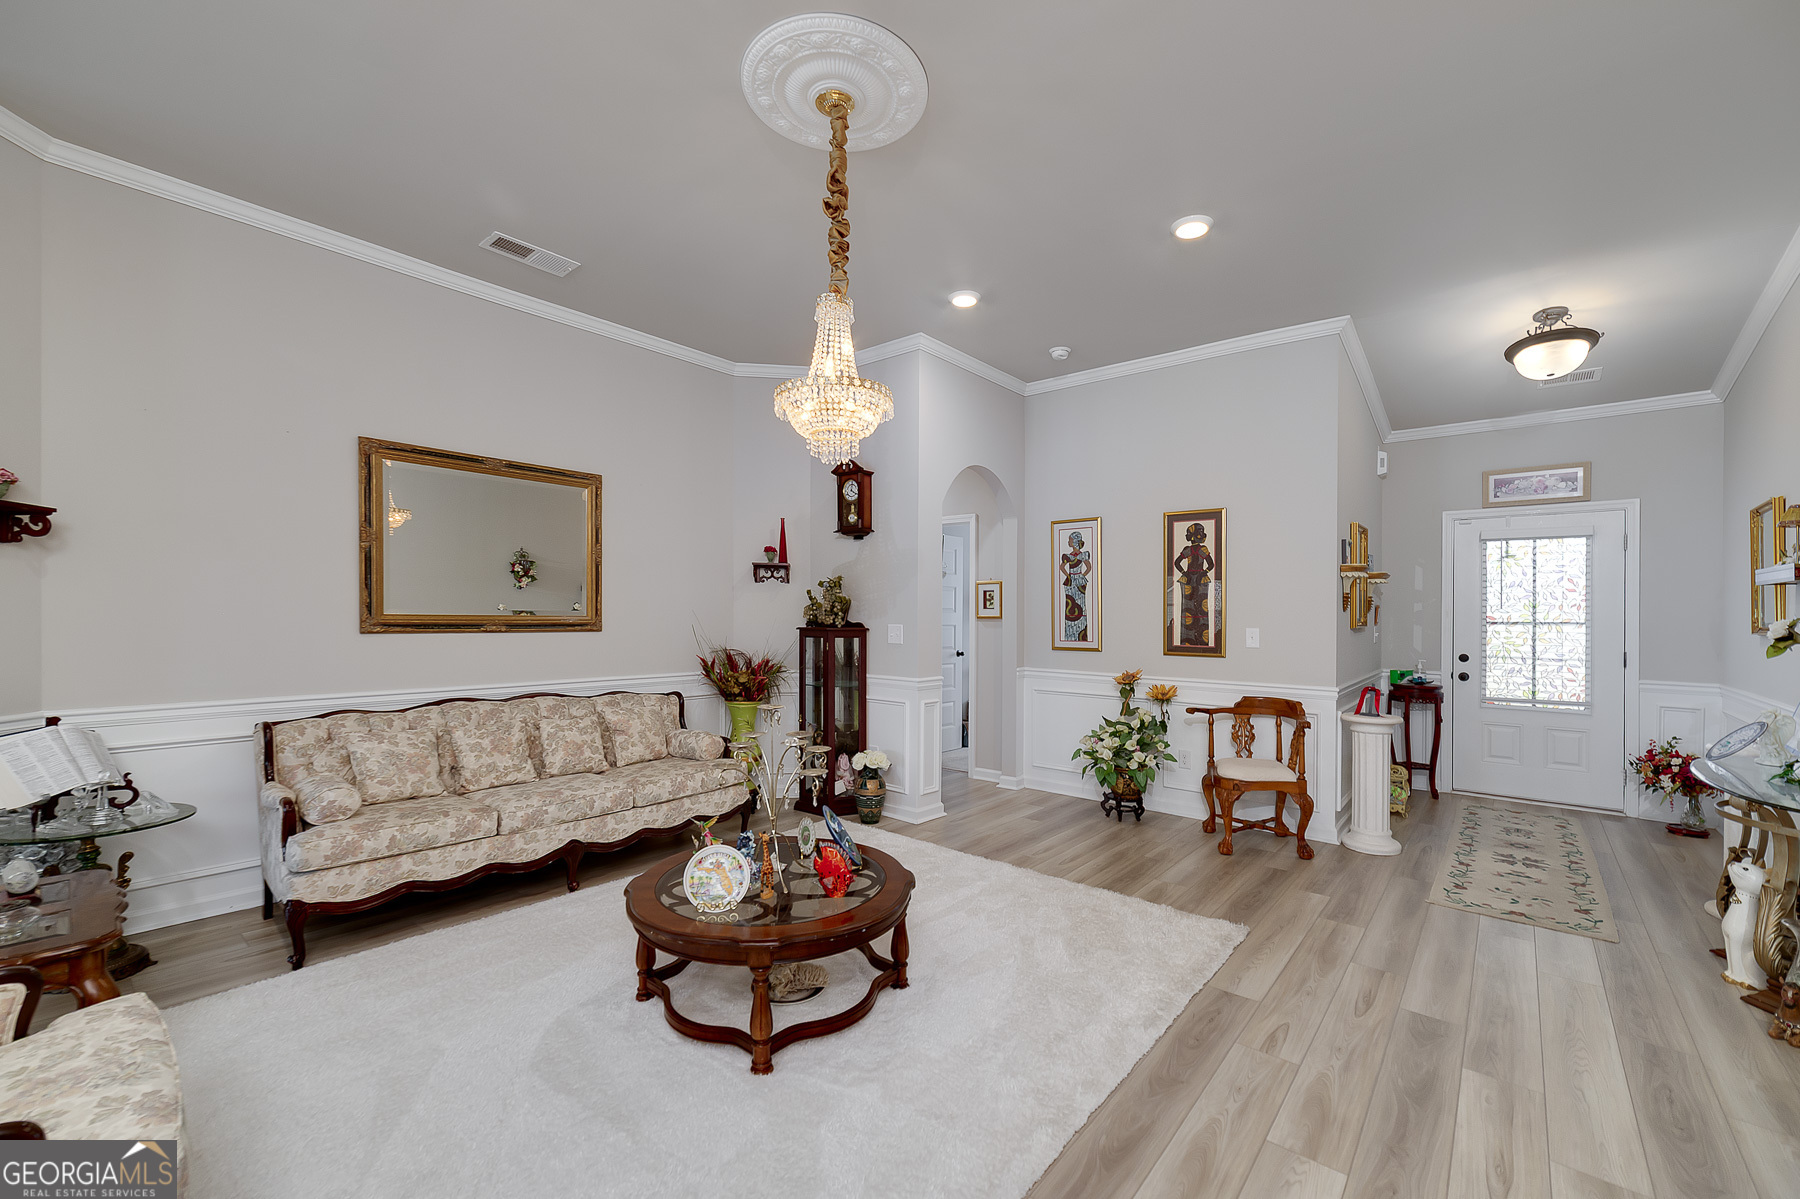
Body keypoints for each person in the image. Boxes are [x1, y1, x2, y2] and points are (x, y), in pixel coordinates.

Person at [1174, 522, 1214, 647]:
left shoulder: (1202, 549)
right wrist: (1184, 573)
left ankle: (1201, 640)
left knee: (1202, 607)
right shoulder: (1188, 550)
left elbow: (1211, 565)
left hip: (1199, 579)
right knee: (1188, 607)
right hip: (1190, 579)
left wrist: (1204, 573)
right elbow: (1177, 563)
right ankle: (1188, 640)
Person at [1060, 531, 1092, 643]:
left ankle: (1080, 632)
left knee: (1081, 605)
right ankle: (1071, 633)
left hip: (1078, 581)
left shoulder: (1082, 555)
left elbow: (1089, 567)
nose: (1068, 542)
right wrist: (1069, 575)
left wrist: (1081, 576)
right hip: (1071, 582)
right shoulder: (1069, 556)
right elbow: (1062, 567)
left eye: (1069, 540)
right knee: (1070, 604)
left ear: (1074, 541)